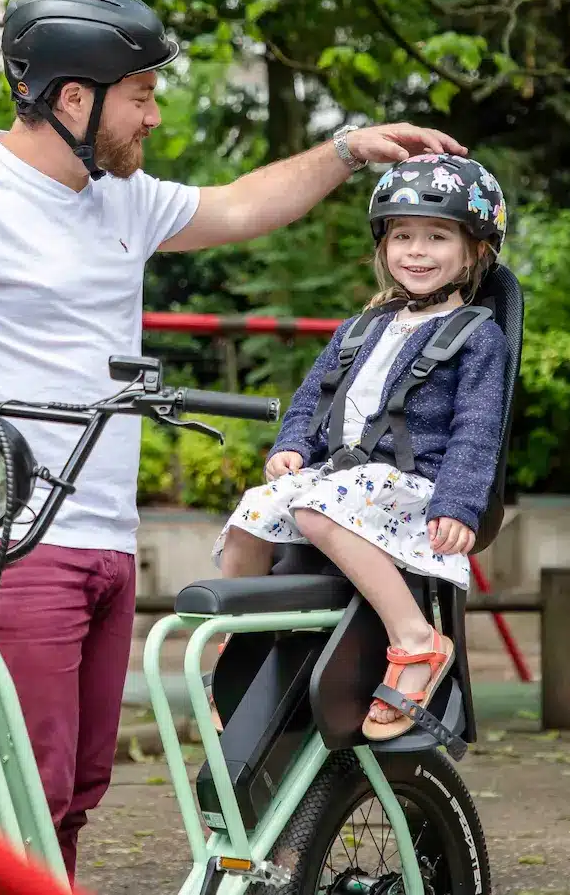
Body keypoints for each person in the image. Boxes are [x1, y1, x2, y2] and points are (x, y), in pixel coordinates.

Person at [0, 0, 466, 879]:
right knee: (24, 783)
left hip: (104, 532)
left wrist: (347, 150)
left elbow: (242, 206)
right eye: (140, 95)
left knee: (73, 789)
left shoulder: (121, 199)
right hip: (9, 537)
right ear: (74, 98)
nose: (153, 115)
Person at [214, 152, 509, 742]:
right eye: (402, 236)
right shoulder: (361, 328)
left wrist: (458, 505)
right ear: (383, 245)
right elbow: (312, 399)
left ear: (475, 251)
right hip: (343, 481)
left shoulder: (478, 337)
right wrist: (293, 447)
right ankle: (244, 638)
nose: (416, 251)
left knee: (315, 508)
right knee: (253, 511)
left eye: (437, 237)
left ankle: (416, 639)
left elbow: (478, 429)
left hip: (412, 486)